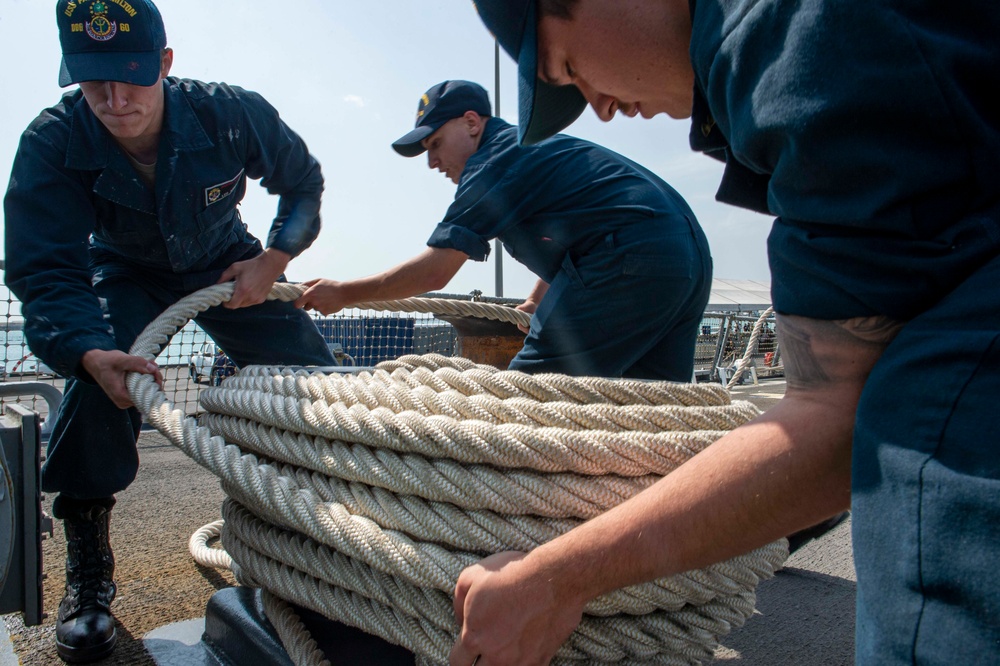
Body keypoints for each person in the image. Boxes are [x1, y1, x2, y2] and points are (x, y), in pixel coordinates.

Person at [451, 1, 1000, 665]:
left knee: (917, 438)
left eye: (567, 66)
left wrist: (554, 578)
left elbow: (832, 425)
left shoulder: (796, 47)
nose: (598, 106)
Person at [3, 1, 336, 662]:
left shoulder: (230, 113)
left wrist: (274, 260)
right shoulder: (52, 143)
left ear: (165, 63)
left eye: (131, 74)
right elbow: (46, 269)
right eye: (93, 80)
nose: (114, 97)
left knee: (319, 378)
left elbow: (301, 183)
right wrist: (86, 350)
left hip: (226, 261)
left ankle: (332, 535)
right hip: (125, 272)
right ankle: (90, 571)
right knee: (102, 385)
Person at [296, 79, 712, 381]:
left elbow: (435, 272)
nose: (431, 163)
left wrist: (346, 292)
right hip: (684, 257)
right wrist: (534, 300)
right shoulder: (529, 149)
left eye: (435, 144)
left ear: (472, 122)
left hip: (630, 259)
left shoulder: (493, 162)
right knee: (655, 409)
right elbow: (579, 231)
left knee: (528, 401)